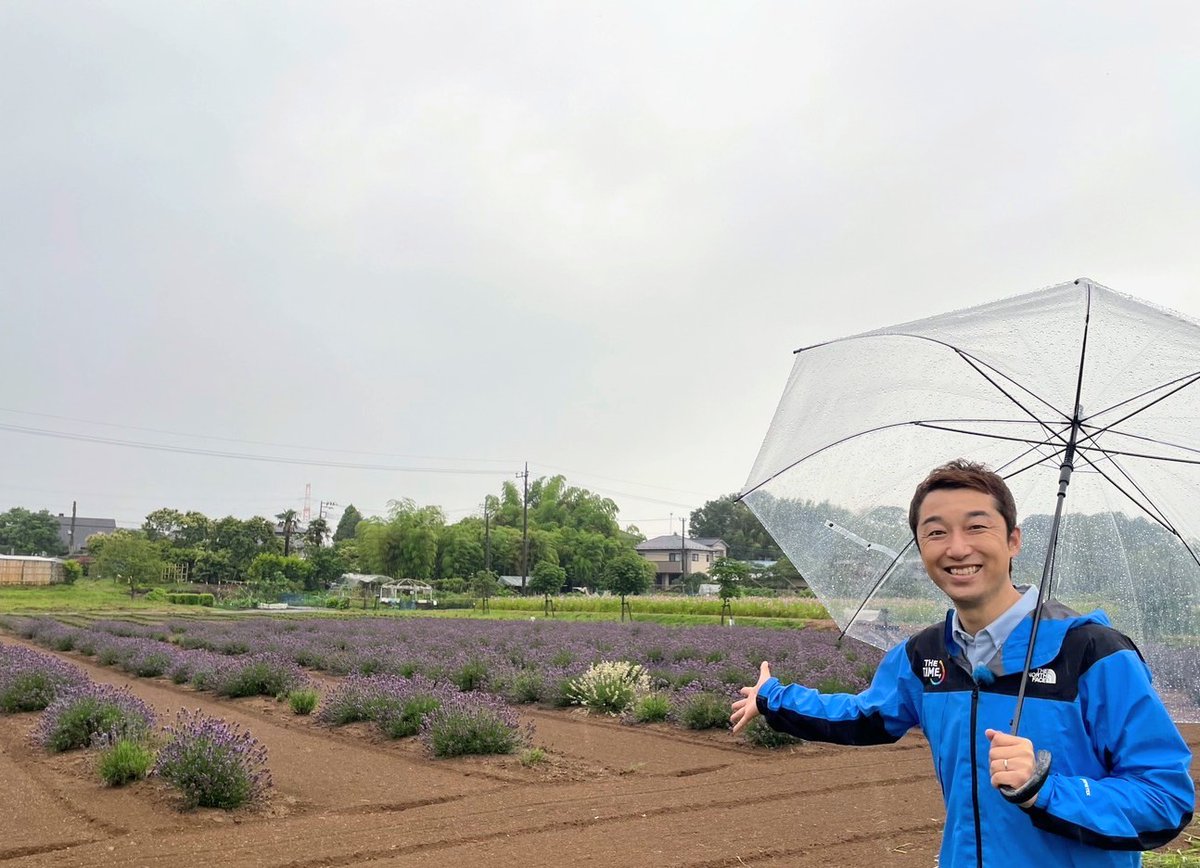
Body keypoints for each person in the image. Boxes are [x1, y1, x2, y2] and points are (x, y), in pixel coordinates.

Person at [730, 459, 1194, 867]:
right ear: (920, 548)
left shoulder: (1092, 653)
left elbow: (1165, 799)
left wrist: (1046, 788)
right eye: (935, 532)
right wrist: (772, 698)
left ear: (1013, 540)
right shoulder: (925, 655)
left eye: (976, 527)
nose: (956, 548)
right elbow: (864, 715)